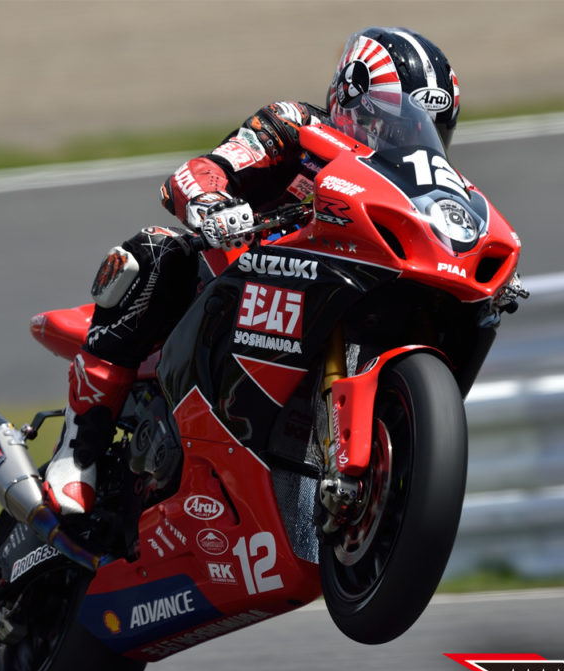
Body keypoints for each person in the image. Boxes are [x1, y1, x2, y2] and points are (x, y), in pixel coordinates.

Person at [43, 26, 462, 517]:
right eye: (398, 122)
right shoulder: (295, 125)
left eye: (428, 129)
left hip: (332, 300)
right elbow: (200, 171)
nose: (410, 139)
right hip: (237, 286)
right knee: (157, 252)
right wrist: (211, 202)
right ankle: (78, 449)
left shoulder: (422, 186)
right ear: (354, 102)